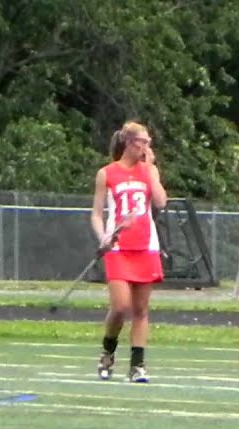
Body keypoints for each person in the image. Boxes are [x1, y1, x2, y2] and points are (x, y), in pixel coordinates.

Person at [91, 121, 168, 383]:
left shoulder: (149, 171)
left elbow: (160, 202)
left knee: (141, 309)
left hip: (146, 246)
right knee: (121, 306)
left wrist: (150, 171)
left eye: (148, 142)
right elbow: (96, 214)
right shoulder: (107, 173)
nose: (147, 146)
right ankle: (107, 351)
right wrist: (103, 238)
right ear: (128, 143)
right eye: (142, 141)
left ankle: (137, 365)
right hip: (119, 248)